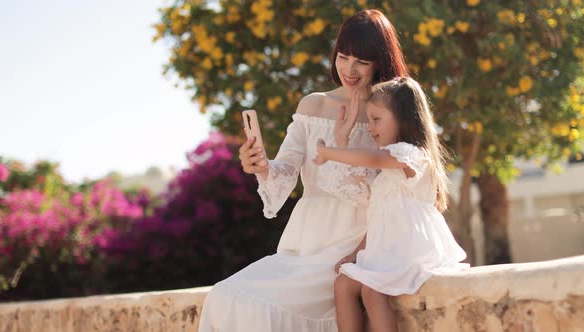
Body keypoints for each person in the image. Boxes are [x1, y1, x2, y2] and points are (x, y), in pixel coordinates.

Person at [198, 9, 409, 332]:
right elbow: (284, 168)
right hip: (305, 241)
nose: (349, 70)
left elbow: (388, 192)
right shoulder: (313, 105)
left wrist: (342, 146)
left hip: (357, 242)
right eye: (343, 57)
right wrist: (261, 166)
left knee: (262, 303)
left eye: (361, 62)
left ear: (379, 61)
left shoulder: (389, 115)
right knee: (225, 294)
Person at [313, 77, 469, 332]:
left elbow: (373, 157)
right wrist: (354, 254)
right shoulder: (386, 175)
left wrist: (330, 152)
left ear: (404, 118)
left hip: (413, 250)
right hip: (387, 252)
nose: (371, 128)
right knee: (343, 284)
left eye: (377, 119)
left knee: (372, 291)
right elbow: (379, 220)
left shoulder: (413, 156)